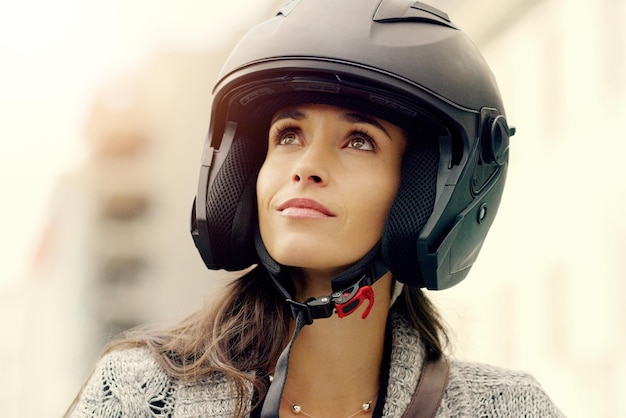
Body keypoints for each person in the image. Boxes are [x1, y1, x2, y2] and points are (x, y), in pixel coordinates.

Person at [66, 0, 564, 417]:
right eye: (287, 135)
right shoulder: (138, 396)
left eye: (359, 141)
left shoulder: (508, 408)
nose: (307, 166)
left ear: (428, 190)